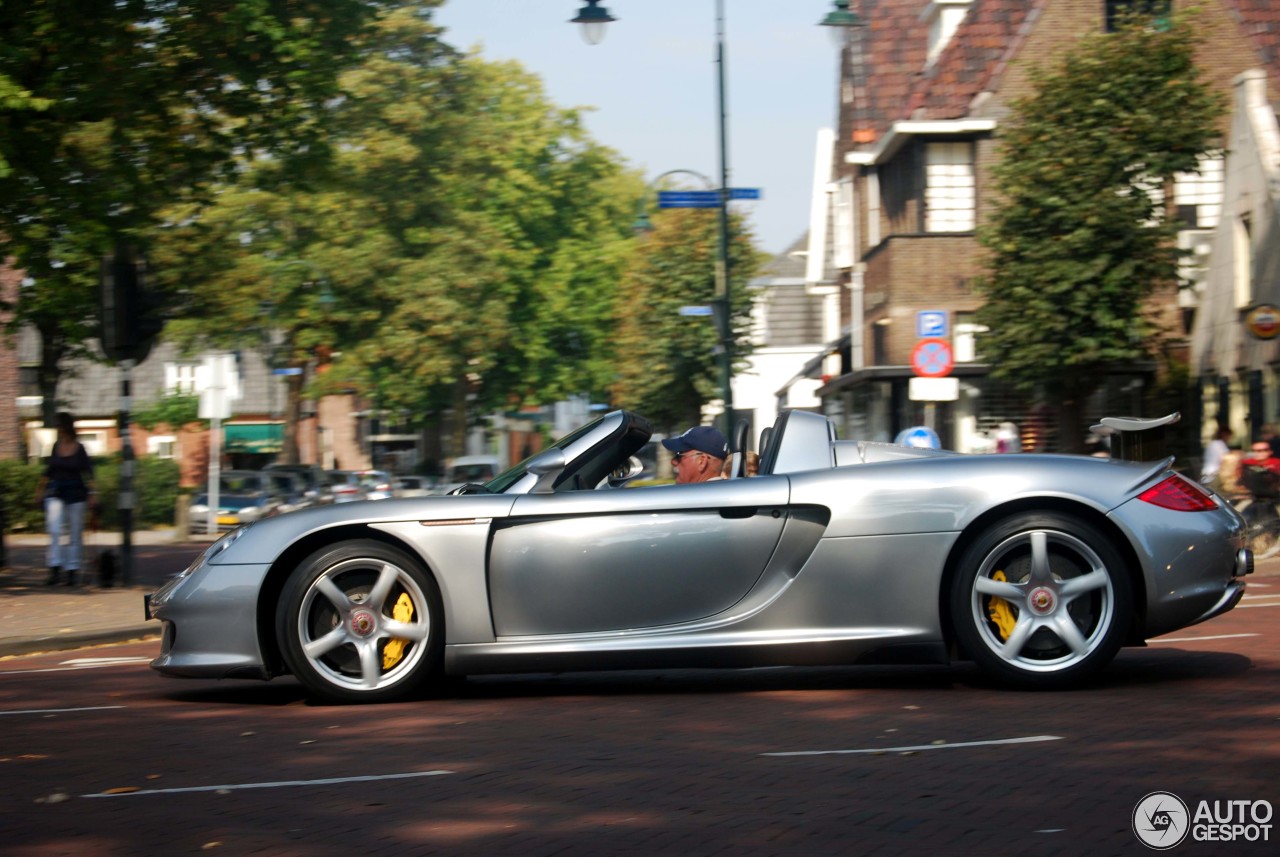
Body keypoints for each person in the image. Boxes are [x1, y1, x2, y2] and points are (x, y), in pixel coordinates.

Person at [34, 412, 96, 586]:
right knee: (55, 530)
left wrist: (93, 494)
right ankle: (54, 568)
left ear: (67, 427)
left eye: (60, 426)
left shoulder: (80, 448)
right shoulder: (55, 447)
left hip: (76, 493)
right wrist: (39, 491)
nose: (58, 430)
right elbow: (48, 471)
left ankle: (71, 571)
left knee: (75, 534)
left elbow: (89, 473)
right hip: (56, 491)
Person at [662, 425, 729, 484]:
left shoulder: (699, 497)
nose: (673, 461)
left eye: (679, 456)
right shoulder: (727, 493)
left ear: (702, 461)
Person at [1200, 424, 1232, 490]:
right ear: (1224, 434)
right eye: (1229, 436)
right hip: (1214, 476)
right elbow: (1228, 459)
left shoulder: (1214, 443)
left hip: (1209, 475)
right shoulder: (1219, 444)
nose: (1229, 438)